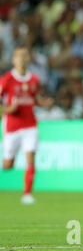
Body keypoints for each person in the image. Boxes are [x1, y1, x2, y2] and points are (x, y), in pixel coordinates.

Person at [0, 47, 41, 205]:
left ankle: (27, 194)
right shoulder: (6, 80)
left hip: (30, 124)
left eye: (25, 56)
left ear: (29, 58)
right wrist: (9, 109)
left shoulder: (34, 80)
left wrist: (44, 103)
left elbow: (35, 99)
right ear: (13, 59)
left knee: (31, 158)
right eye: (19, 57)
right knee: (8, 165)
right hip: (12, 126)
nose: (22, 59)